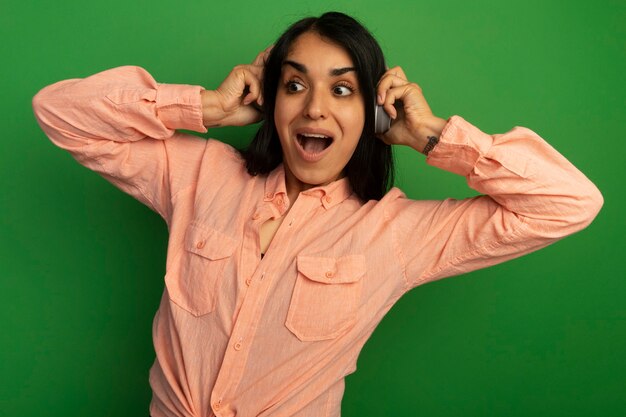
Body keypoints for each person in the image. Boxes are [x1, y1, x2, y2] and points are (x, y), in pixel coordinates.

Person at [32, 11, 602, 417]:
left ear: (374, 113)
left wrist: (431, 136)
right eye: (295, 84)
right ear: (270, 101)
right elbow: (58, 114)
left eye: (343, 90)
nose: (315, 108)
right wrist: (206, 106)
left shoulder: (395, 234)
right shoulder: (200, 175)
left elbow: (570, 202)